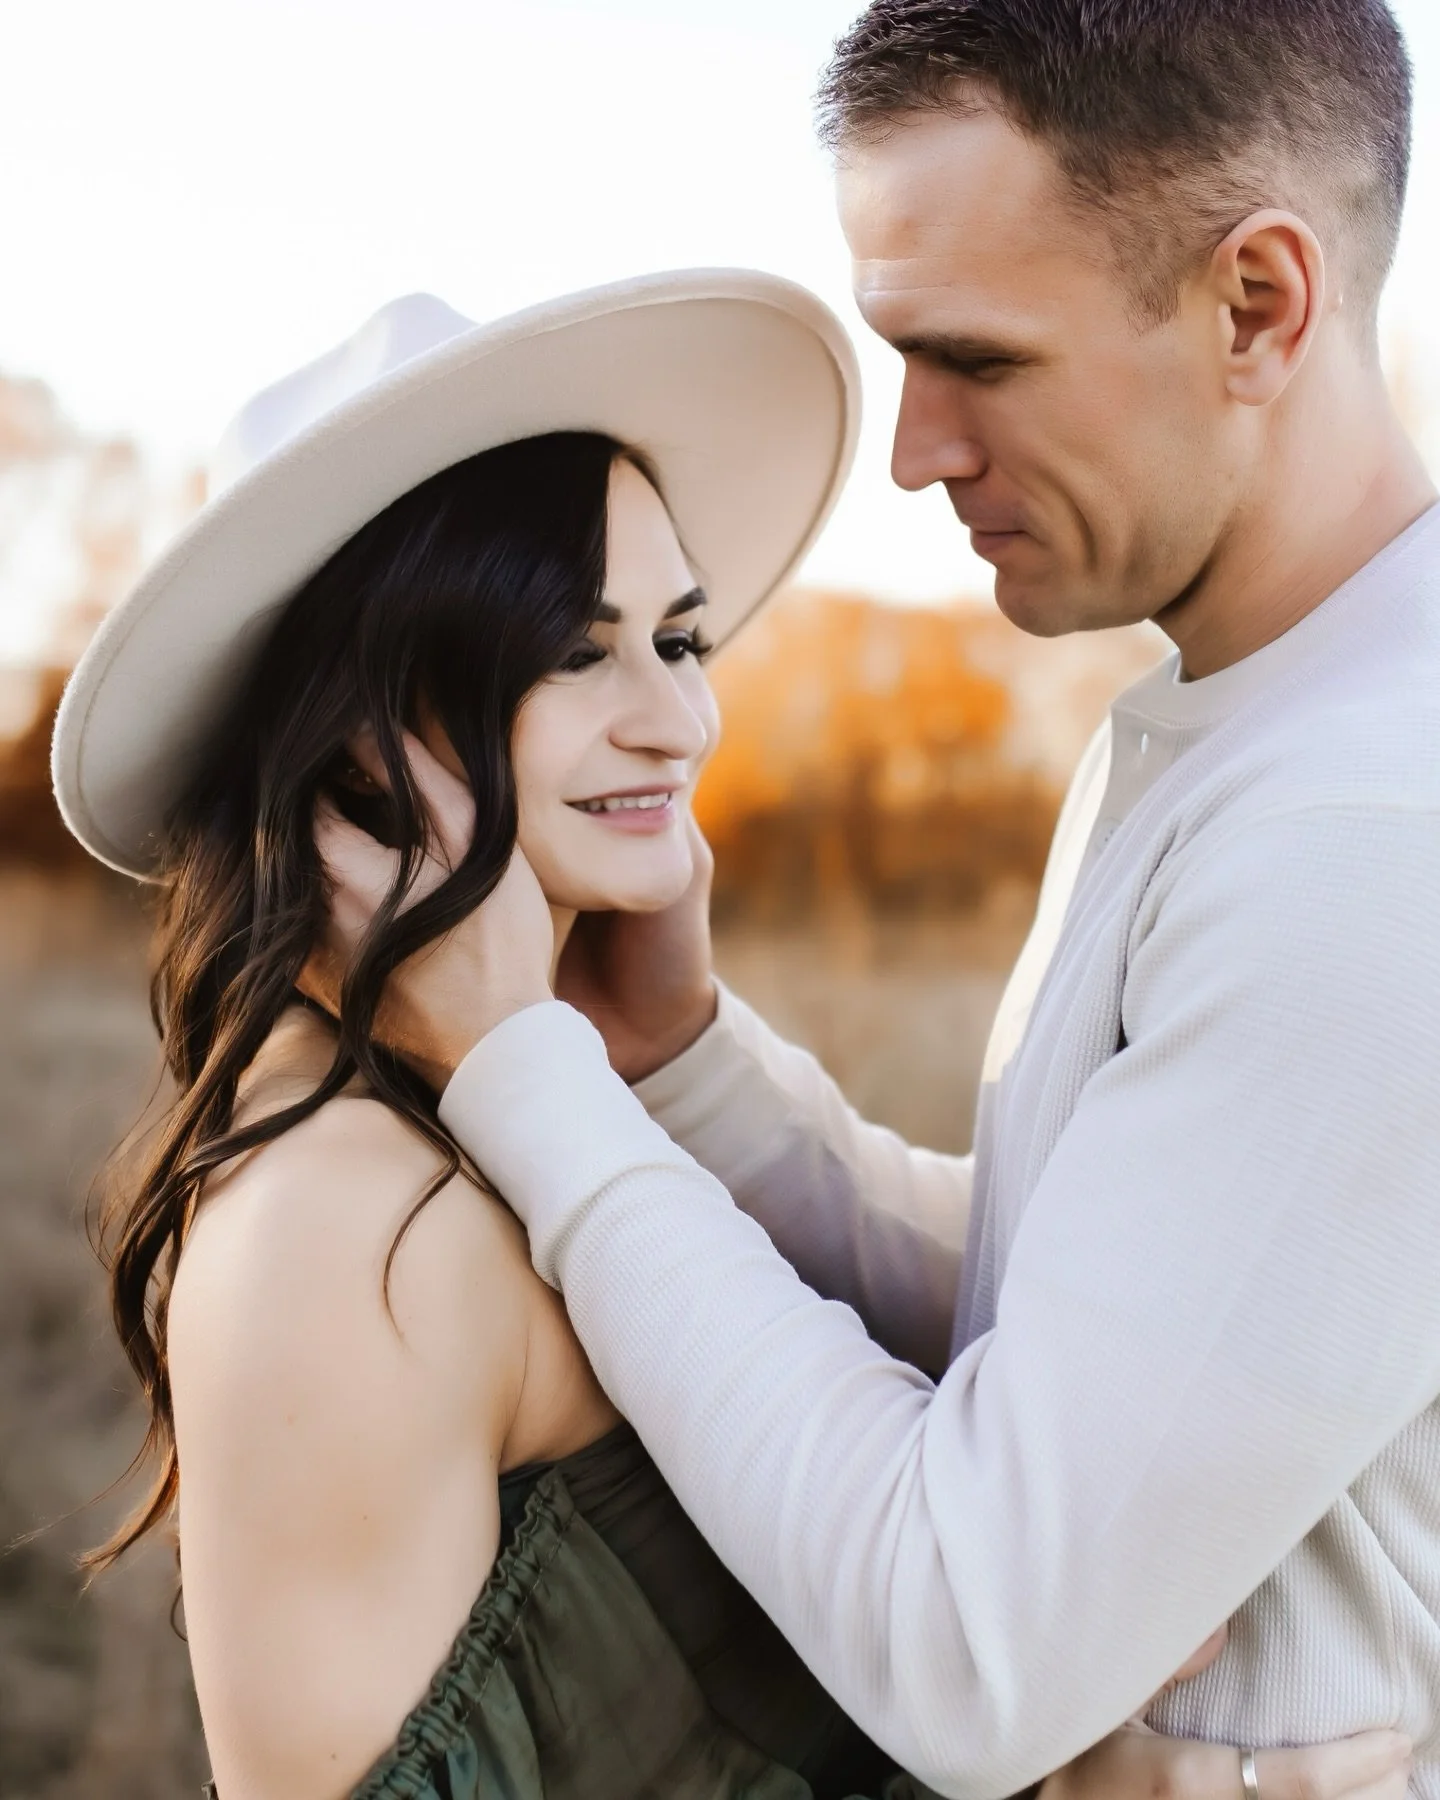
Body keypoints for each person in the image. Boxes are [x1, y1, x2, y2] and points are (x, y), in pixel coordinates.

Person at [300, 3, 1440, 1799]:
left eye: (976, 357)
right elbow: (1086, 1300)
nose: (914, 452)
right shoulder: (1249, 726)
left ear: (1260, 306)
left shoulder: (1364, 828)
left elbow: (962, 1649)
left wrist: (526, 1074)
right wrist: (674, 1062)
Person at [49, 277, 1363, 1800]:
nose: (678, 722)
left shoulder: (530, 1109)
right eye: (572, 652)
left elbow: (993, 1378)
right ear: (355, 729)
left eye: (678, 639)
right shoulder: (343, 1226)